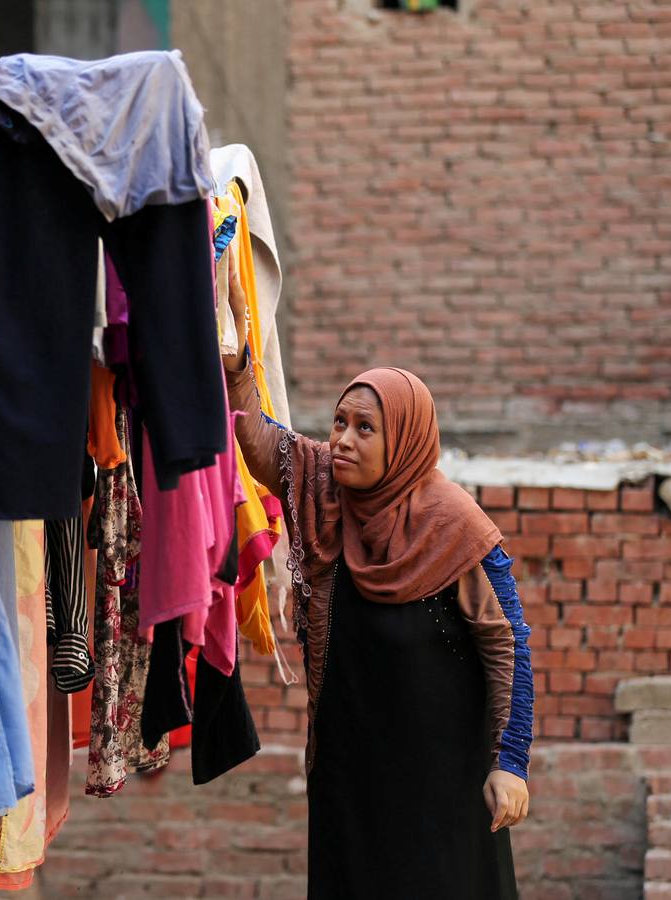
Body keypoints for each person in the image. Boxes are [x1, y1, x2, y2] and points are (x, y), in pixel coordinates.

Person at [222, 251, 533, 899]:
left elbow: (507, 646)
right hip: (348, 768)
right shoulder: (318, 487)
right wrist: (236, 357)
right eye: (339, 422)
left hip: (442, 778)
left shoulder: (456, 525)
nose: (342, 439)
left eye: (366, 429)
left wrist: (510, 764)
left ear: (407, 441)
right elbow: (257, 442)